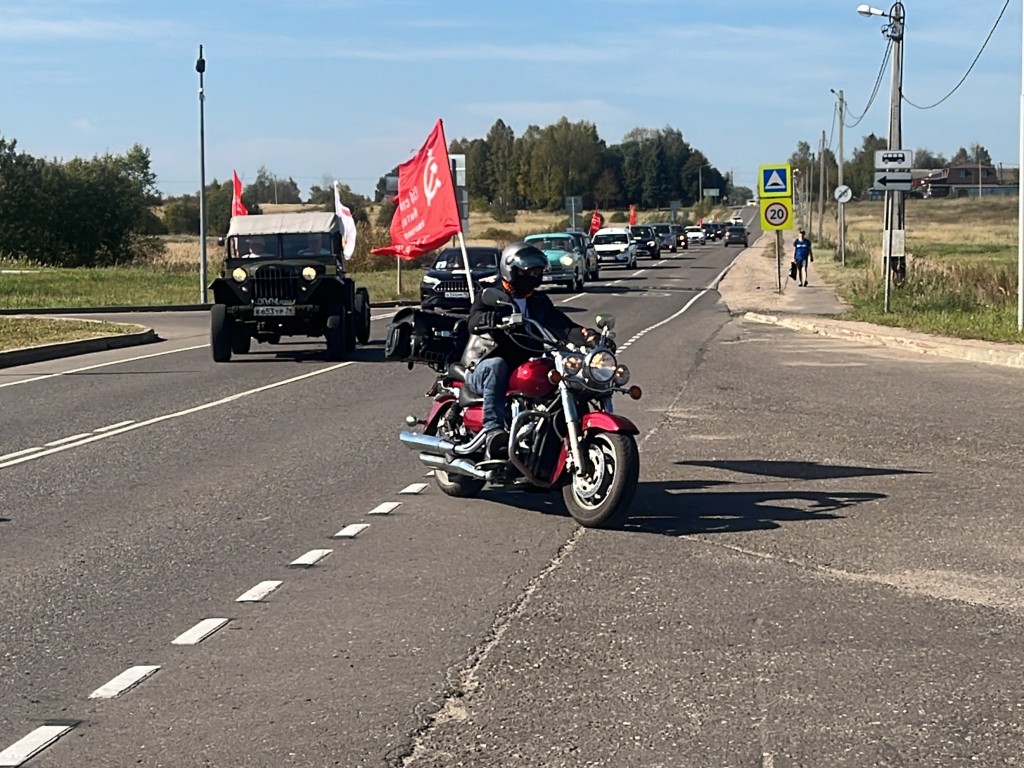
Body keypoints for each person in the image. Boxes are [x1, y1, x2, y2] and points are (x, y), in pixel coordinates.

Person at [460, 241, 599, 458]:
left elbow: (562, 326)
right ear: (510, 269)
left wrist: (589, 337)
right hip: (482, 365)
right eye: (528, 271)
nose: (533, 276)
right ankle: (493, 430)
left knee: (556, 373)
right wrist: (488, 318)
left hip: (524, 362)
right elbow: (474, 320)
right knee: (497, 366)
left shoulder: (538, 301)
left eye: (537, 271)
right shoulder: (492, 294)